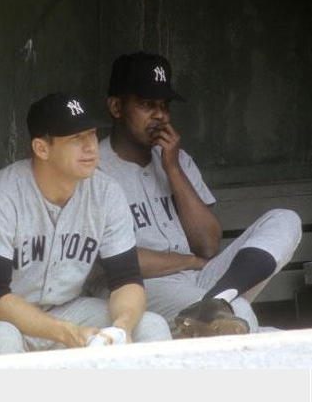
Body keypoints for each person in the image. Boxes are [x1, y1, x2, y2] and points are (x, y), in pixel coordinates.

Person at [0, 92, 171, 356]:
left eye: (92, 134)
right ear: (42, 148)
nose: (91, 147)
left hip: (65, 309)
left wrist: (122, 327)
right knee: (1, 338)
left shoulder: (107, 192)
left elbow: (126, 280)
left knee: (150, 326)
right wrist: (67, 333)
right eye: (76, 138)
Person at [93, 51, 302, 334]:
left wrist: (172, 169)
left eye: (164, 105)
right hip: (137, 288)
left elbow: (208, 245)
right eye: (146, 104)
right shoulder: (92, 170)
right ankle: (217, 307)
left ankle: (218, 301)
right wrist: (189, 261)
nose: (160, 115)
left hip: (200, 281)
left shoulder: (177, 160)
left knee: (284, 219)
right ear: (116, 107)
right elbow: (114, 260)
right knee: (242, 315)